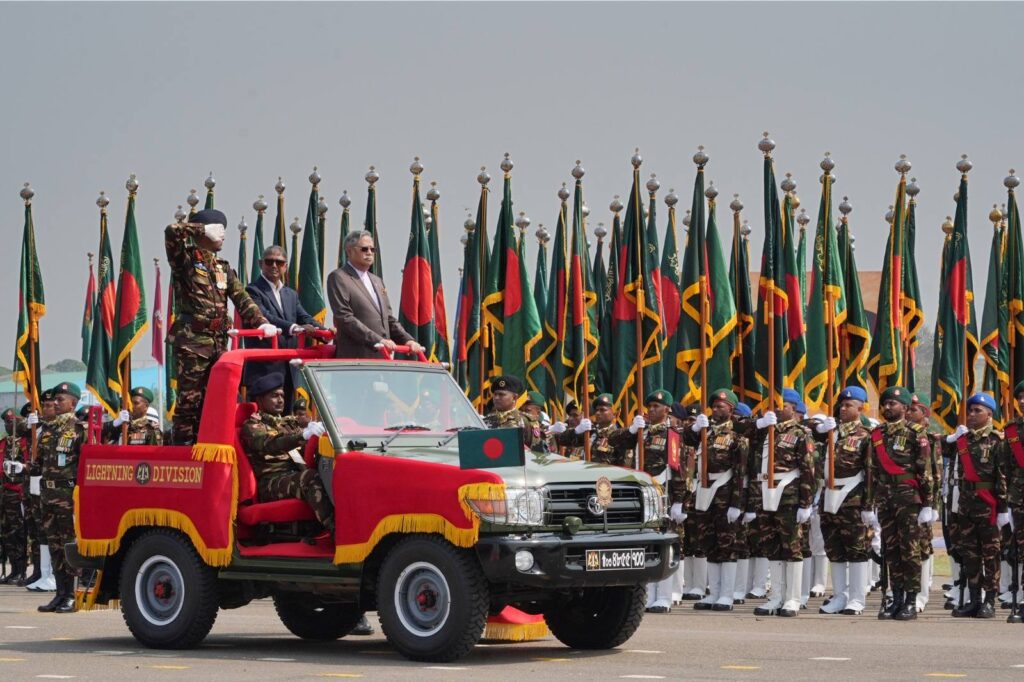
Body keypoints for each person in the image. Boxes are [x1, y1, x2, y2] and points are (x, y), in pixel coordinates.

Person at [165, 208, 277, 445]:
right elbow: (172, 232)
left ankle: (210, 445)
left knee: (219, 397)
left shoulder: (223, 267)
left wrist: (262, 322)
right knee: (189, 402)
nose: (223, 236)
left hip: (217, 342)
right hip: (192, 342)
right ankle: (183, 452)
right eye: (219, 230)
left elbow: (242, 299)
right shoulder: (184, 260)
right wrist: (200, 229)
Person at [865, 385, 933, 621]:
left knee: (910, 550)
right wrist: (869, 505)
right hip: (885, 498)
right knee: (890, 550)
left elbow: (925, 471)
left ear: (905, 408)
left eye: (892, 404)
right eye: (884, 404)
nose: (887, 407)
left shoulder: (916, 433)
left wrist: (928, 504)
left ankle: (912, 601)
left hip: (908, 498)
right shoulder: (877, 434)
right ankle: (897, 596)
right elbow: (872, 471)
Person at [749, 388, 815, 618]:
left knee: (792, 548)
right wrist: (759, 424)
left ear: (794, 408)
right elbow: (740, 432)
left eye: (783, 404)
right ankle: (776, 596)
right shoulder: (764, 431)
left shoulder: (800, 433)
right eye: (775, 404)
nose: (778, 408)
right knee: (772, 547)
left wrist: (806, 504)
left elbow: (808, 469)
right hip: (765, 495)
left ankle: (793, 598)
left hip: (789, 496)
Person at [239, 373, 334, 531]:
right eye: (274, 396)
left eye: (282, 395)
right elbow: (272, 444)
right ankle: (336, 531)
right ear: (260, 400)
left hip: (293, 475)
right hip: (271, 482)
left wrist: (315, 428)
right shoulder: (252, 426)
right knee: (310, 478)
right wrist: (302, 435)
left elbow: (304, 428)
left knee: (331, 470)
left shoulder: (286, 422)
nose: (280, 400)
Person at [942, 392, 1008, 619]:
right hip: (966, 505)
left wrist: (1003, 509)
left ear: (989, 414)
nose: (971, 414)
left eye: (977, 410)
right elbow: (939, 451)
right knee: (969, 555)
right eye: (970, 410)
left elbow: (1003, 476)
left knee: (990, 555)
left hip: (988, 504)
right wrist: (949, 439)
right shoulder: (963, 440)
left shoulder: (997, 441)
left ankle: (989, 600)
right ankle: (974, 599)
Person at [683, 389, 749, 612]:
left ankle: (727, 594)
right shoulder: (706, 432)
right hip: (704, 490)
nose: (716, 409)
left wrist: (736, 503)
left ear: (731, 408)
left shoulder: (737, 434)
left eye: (721, 406)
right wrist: (694, 428)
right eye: (714, 405)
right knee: (709, 542)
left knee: (727, 544)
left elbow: (741, 472)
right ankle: (715, 592)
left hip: (725, 491)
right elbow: (686, 440)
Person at [245, 245, 326, 404]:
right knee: (263, 421)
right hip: (265, 369)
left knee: (287, 417)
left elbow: (304, 317)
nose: (274, 266)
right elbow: (264, 316)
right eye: (269, 262)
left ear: (285, 266)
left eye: (279, 262)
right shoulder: (252, 290)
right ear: (260, 264)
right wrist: (294, 328)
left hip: (288, 366)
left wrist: (325, 332)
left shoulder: (291, 294)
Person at [326, 231, 425, 359]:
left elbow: (388, 319)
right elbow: (344, 317)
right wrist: (377, 340)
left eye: (372, 249)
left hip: (383, 358)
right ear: (349, 251)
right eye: (364, 249)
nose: (369, 252)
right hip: (356, 359)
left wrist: (407, 340)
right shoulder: (339, 277)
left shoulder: (377, 281)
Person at [816, 386, 871, 615]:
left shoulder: (865, 436)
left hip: (852, 497)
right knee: (834, 548)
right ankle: (840, 595)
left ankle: (857, 598)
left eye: (849, 404)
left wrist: (869, 506)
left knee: (856, 549)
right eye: (842, 404)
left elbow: (870, 473)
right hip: (829, 495)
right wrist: (820, 430)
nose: (844, 408)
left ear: (861, 407)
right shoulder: (830, 432)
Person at [36, 382, 86, 613]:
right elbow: (38, 466)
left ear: (73, 403)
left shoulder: (78, 429)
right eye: (54, 399)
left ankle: (72, 596)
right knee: (54, 545)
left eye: (60, 399)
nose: (55, 403)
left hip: (67, 495)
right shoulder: (48, 430)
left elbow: (85, 465)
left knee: (68, 545)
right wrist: (20, 468)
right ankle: (60, 593)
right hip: (47, 494)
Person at [907, 392, 941, 612]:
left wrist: (933, 505)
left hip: (922, 499)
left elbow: (935, 473)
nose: (909, 413)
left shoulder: (929, 438)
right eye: (908, 409)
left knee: (923, 546)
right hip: (903, 499)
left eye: (914, 410)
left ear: (924, 415)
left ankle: (922, 592)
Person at [550, 394, 643, 466]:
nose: (598, 413)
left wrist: (632, 430)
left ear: (615, 414)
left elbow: (624, 466)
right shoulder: (590, 432)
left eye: (603, 410)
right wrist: (577, 430)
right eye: (597, 410)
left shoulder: (621, 436)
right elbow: (562, 440)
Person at [0, 408, 29, 585]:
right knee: (7, 533)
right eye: (6, 422)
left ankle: (21, 569)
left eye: (12, 422)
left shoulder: (25, 442)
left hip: (17, 492)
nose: (8, 425)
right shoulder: (4, 443)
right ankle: (13, 570)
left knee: (19, 532)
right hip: (4, 492)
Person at [483, 376, 546, 453]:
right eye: (495, 394)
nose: (496, 398)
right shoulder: (485, 421)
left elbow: (535, 453)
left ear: (514, 398)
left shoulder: (527, 422)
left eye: (501, 394)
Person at [1004, 380, 1024, 619]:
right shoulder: (1011, 430)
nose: (1021, 401)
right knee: (1020, 549)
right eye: (1019, 397)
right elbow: (1005, 467)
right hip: (1019, 497)